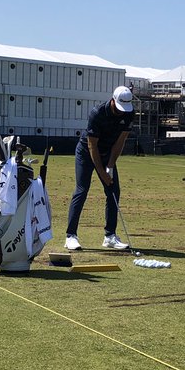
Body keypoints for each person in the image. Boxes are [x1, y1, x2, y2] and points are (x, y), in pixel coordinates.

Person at [65, 86, 135, 250]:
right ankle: (70, 236)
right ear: (113, 100)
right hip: (86, 152)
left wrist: (110, 166)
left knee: (114, 191)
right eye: (119, 108)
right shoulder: (97, 113)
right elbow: (92, 146)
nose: (121, 112)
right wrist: (102, 173)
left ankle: (110, 236)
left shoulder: (129, 113)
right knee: (82, 190)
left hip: (108, 152)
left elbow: (120, 142)